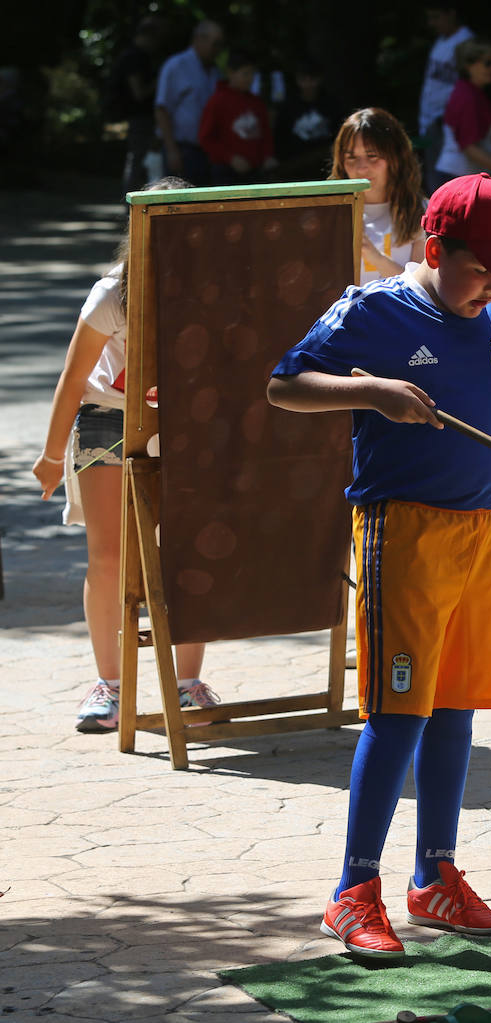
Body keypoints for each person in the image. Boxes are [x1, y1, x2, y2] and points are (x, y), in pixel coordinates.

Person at [266, 173, 491, 958]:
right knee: (401, 710)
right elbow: (283, 384)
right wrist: (378, 394)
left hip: (486, 534)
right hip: (407, 531)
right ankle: (354, 889)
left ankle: (436, 876)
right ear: (435, 247)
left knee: (457, 703)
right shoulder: (375, 309)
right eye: (483, 266)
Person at [32, 175, 216, 735]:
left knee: (188, 554)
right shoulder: (113, 292)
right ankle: (109, 685)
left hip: (184, 425)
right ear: (137, 230)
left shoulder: (214, 286)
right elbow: (74, 377)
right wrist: (49, 453)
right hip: (109, 422)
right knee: (109, 556)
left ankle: (187, 683)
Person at [330, 108, 427, 285]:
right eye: (351, 157)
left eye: (372, 156)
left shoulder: (422, 211)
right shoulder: (332, 214)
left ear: (396, 158)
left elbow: (421, 292)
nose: (361, 168)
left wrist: (374, 257)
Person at [435, 38, 491, 189]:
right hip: (458, 179)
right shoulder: (467, 97)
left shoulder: (474, 93)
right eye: (487, 63)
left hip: (463, 178)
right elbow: (469, 146)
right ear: (469, 66)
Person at [154, 20, 224, 186]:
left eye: (220, 44)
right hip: (182, 149)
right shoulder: (176, 66)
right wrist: (171, 150)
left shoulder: (215, 71)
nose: (217, 50)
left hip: (207, 150)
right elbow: (162, 109)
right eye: (215, 44)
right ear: (199, 39)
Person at [107, 15, 167, 194]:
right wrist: (159, 82)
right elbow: (138, 92)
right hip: (138, 118)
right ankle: (132, 209)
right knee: (137, 161)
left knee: (140, 161)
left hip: (139, 117)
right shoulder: (134, 57)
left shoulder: (137, 55)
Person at [198, 50, 277, 185]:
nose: (250, 78)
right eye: (245, 73)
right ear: (230, 73)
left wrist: (267, 156)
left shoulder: (257, 103)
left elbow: (266, 134)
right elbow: (205, 138)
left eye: (252, 73)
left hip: (255, 172)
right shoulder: (217, 101)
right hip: (226, 173)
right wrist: (230, 158)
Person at [418, 1, 473, 194]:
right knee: (434, 180)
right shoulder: (440, 41)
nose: (432, 23)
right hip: (430, 120)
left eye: (436, 17)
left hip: (447, 122)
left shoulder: (466, 42)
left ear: (451, 13)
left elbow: (467, 85)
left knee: (446, 185)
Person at [273, 59, 342, 181]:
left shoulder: (331, 105)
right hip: (294, 163)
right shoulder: (288, 106)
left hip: (324, 163)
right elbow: (280, 136)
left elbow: (338, 134)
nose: (308, 84)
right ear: (297, 80)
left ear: (319, 80)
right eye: (304, 79)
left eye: (312, 79)